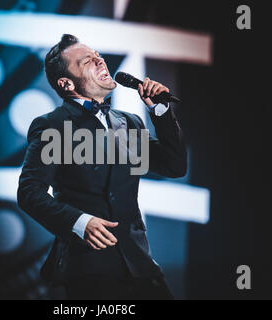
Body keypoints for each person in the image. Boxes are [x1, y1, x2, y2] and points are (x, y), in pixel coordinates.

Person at [17, 34, 186, 299]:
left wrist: (161, 112)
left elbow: (173, 167)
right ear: (66, 83)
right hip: (90, 268)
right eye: (87, 61)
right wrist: (79, 222)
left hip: (140, 264)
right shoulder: (55, 125)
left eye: (98, 56)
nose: (100, 61)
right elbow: (30, 192)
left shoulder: (128, 123)